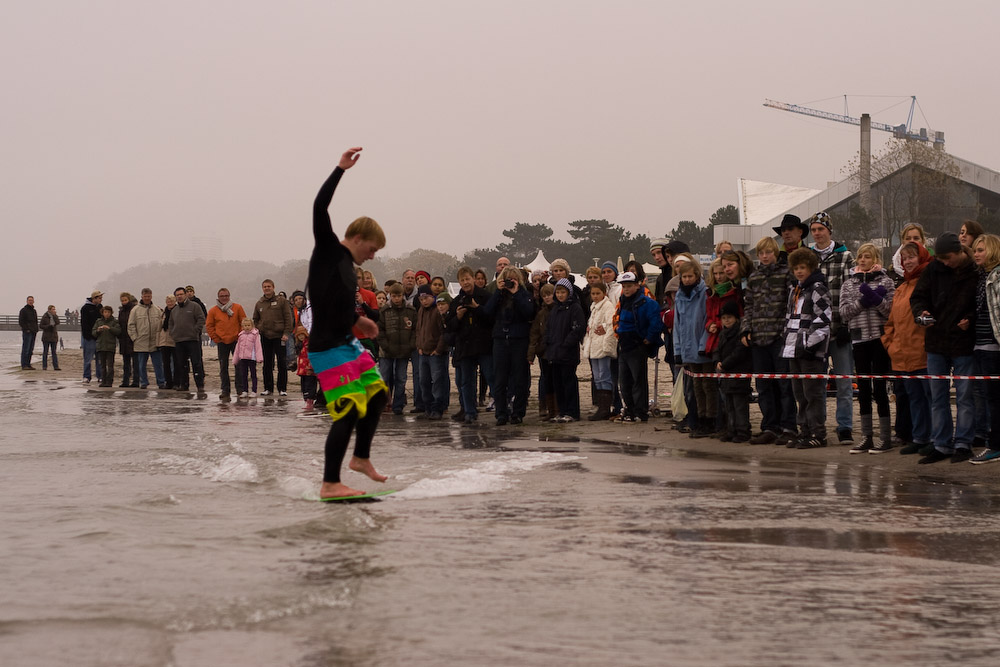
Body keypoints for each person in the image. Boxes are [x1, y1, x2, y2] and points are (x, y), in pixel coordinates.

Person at [307, 147, 390, 499]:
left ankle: (360, 459)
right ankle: (329, 484)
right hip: (326, 347)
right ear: (357, 238)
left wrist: (359, 321)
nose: (372, 256)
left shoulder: (348, 269)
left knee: (377, 394)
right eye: (371, 249)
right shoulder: (329, 250)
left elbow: (333, 304)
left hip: (346, 342)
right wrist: (340, 170)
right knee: (348, 409)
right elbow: (319, 208)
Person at [909, 232, 978, 464]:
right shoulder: (933, 269)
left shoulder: (974, 272)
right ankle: (941, 444)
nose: (945, 262)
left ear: (959, 252)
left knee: (965, 396)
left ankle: (963, 443)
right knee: (937, 396)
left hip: (963, 342)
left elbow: (980, 304)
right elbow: (917, 297)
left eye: (948, 257)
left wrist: (970, 318)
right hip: (936, 341)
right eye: (940, 258)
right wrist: (921, 313)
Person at [840, 244, 895, 453]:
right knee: (863, 388)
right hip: (859, 340)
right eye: (860, 256)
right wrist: (864, 301)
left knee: (880, 388)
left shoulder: (886, 281)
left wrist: (878, 300)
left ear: (875, 258)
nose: (862, 260)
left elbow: (890, 311)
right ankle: (866, 436)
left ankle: (885, 437)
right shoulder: (849, 284)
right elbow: (844, 313)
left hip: (880, 339)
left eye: (867, 256)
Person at [743, 237, 797, 445]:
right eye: (761, 253)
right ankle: (769, 426)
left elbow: (791, 304)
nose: (765, 257)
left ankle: (788, 426)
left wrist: (786, 331)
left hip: (779, 337)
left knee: (785, 385)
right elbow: (748, 306)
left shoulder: (785, 274)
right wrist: (746, 330)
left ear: (775, 253)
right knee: (764, 386)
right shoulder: (754, 278)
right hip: (758, 338)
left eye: (768, 253)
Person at [807, 211, 856, 445]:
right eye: (814, 230)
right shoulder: (807, 256)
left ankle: (845, 426)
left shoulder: (845, 256)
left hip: (839, 329)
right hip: (816, 331)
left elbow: (851, 289)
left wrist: (847, 324)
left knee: (844, 381)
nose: (817, 233)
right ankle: (817, 427)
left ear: (829, 231)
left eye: (821, 229)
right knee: (816, 383)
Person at [882, 242, 934, 456]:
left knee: (931, 399)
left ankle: (934, 438)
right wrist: (890, 345)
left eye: (912, 256)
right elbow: (891, 323)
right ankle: (919, 437)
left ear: (921, 257)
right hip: (902, 356)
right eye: (905, 258)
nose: (909, 261)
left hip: (924, 354)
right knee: (914, 399)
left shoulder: (928, 284)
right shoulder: (901, 288)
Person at [781, 247, 833, 449]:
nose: (799, 271)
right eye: (796, 268)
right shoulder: (795, 290)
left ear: (811, 267)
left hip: (811, 351)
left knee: (813, 394)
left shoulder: (818, 288)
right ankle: (804, 430)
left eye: (803, 267)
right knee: (799, 394)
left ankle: (818, 433)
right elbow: (789, 319)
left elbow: (824, 320)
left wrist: (808, 343)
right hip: (793, 348)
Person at [483, 266, 535, 425]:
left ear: (519, 280)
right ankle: (501, 413)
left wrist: (517, 293)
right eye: (507, 279)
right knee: (500, 379)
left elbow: (529, 313)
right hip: (500, 339)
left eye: (513, 279)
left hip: (519, 339)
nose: (509, 283)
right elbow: (487, 312)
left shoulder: (524, 294)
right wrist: (499, 291)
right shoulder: (498, 295)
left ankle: (518, 413)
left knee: (520, 379)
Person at [672, 258, 715, 437]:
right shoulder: (680, 296)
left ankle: (710, 420)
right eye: (684, 276)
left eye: (690, 276)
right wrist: (678, 351)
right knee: (696, 386)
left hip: (703, 347)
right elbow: (677, 325)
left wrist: (703, 345)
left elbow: (707, 320)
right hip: (688, 349)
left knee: (709, 386)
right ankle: (699, 419)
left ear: (697, 276)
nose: (687, 279)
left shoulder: (705, 293)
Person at [448, 265, 494, 424]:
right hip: (465, 346)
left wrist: (477, 308)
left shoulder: (486, 297)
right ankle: (469, 412)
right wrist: (458, 316)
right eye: (462, 280)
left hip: (484, 345)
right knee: (467, 381)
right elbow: (450, 326)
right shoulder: (456, 301)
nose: (466, 282)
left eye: (468, 279)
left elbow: (491, 318)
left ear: (473, 279)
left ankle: (501, 410)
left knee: (491, 377)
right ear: (459, 283)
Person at [971, 234, 1000, 463]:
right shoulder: (981, 277)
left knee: (994, 398)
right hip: (979, 343)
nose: (976, 253)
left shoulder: (997, 277)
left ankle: (995, 446)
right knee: (987, 397)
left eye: (981, 250)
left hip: (993, 345)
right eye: (975, 250)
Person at [545, 278, 586, 422]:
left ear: (569, 292)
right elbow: (549, 329)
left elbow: (577, 329)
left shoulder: (575, 307)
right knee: (558, 384)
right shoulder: (555, 309)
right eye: (558, 292)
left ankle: (572, 412)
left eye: (563, 292)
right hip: (554, 352)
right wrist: (549, 344)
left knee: (569, 383)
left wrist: (566, 344)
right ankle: (561, 411)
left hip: (568, 353)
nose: (560, 295)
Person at [714, 301, 753, 442]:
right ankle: (731, 430)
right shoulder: (723, 333)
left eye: (729, 317)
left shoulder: (740, 332)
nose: (726, 321)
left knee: (739, 405)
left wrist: (724, 364)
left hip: (739, 373)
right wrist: (717, 361)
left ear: (736, 318)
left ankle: (743, 431)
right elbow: (717, 349)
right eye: (724, 318)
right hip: (726, 375)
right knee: (729, 405)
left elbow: (739, 352)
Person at [377, 283, 416, 415]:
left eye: (399, 296)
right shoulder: (385, 310)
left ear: (402, 295)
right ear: (390, 296)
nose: (397, 299)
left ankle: (398, 405)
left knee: (401, 378)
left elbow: (415, 330)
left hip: (404, 350)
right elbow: (380, 331)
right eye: (394, 296)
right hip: (386, 351)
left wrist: (411, 345)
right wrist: (385, 346)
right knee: (384, 377)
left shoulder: (411, 310)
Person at [252, 279, 294, 396]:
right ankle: (268, 388)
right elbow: (255, 319)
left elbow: (288, 318)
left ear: (273, 287)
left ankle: (282, 389)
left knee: (281, 362)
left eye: (269, 286)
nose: (267, 288)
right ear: (262, 288)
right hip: (265, 336)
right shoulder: (259, 303)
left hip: (280, 336)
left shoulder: (282, 301)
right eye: (264, 287)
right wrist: (258, 328)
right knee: (267, 364)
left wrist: (286, 333)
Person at [583, 280, 617, 421]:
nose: (595, 296)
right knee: (597, 377)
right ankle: (601, 406)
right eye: (593, 293)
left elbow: (611, 323)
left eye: (598, 293)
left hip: (602, 346)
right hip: (594, 346)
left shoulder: (608, 306)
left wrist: (607, 345)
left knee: (604, 376)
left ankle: (606, 408)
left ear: (604, 293)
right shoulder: (594, 307)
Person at [414, 284, 449, 420]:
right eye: (421, 299)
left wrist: (438, 350)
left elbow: (443, 333)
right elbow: (418, 330)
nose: (424, 301)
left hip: (436, 353)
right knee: (424, 381)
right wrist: (419, 346)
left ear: (431, 296)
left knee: (438, 382)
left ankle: (437, 408)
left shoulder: (437, 311)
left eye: (426, 298)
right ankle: (427, 408)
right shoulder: (421, 311)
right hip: (423, 352)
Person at [206, 287, 247, 399]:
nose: (224, 298)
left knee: (239, 366)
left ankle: (240, 389)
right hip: (221, 342)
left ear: (229, 296)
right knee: (223, 367)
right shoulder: (213, 311)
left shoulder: (237, 308)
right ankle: (225, 390)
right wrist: (215, 338)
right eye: (222, 296)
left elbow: (244, 322)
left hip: (236, 341)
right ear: (218, 297)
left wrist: (240, 336)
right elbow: (209, 326)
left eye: (226, 296)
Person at [168, 286, 206, 393]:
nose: (179, 296)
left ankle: (200, 385)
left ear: (185, 295)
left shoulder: (194, 306)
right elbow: (170, 323)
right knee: (182, 364)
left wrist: (195, 331)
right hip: (179, 340)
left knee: (196, 363)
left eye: (181, 294)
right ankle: (184, 385)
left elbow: (201, 319)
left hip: (193, 340)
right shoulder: (174, 310)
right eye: (177, 295)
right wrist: (173, 333)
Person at [528, 283, 557, 420]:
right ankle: (550, 410)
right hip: (543, 352)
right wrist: (532, 353)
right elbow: (534, 334)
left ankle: (558, 409)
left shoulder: (559, 310)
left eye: (549, 294)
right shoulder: (541, 314)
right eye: (544, 295)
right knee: (547, 380)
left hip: (557, 351)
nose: (547, 298)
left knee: (556, 379)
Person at [127, 288, 165, 389]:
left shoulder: (157, 310)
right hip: (140, 342)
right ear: (142, 296)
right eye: (145, 296)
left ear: (151, 296)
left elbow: (162, 324)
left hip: (154, 342)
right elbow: (130, 326)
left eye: (149, 296)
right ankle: (143, 382)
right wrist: (135, 338)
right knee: (141, 365)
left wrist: (159, 339)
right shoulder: (135, 310)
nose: (147, 298)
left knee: (158, 365)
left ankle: (161, 382)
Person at [233, 318, 263, 397]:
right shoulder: (241, 335)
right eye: (245, 325)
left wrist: (259, 358)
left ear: (252, 326)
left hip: (252, 358)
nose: (247, 327)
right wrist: (235, 359)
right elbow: (237, 348)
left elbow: (258, 347)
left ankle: (254, 391)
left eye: (249, 325)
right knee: (244, 374)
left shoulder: (255, 335)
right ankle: (245, 390)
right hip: (243, 358)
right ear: (242, 326)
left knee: (253, 374)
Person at [92, 305, 121, 387]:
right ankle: (103, 380)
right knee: (102, 365)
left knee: (110, 365)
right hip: (101, 346)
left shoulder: (114, 322)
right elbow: (93, 333)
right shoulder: (98, 321)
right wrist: (98, 331)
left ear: (111, 313)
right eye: (105, 312)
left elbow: (118, 331)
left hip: (110, 347)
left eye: (108, 312)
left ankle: (109, 381)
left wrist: (109, 328)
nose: (107, 314)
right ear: (102, 313)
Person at [80, 291, 104, 384]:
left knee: (99, 359)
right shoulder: (85, 308)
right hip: (89, 338)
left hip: (99, 336)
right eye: (99, 298)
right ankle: (86, 376)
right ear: (94, 298)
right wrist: (87, 336)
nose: (101, 300)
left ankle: (100, 376)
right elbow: (84, 324)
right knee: (88, 359)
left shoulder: (100, 307)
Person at [117, 292, 139, 387]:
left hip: (132, 338)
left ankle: (136, 381)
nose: (124, 302)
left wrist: (135, 336)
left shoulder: (134, 309)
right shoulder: (121, 311)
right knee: (126, 363)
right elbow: (119, 324)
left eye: (125, 300)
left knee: (135, 362)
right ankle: (125, 381)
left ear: (129, 300)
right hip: (123, 339)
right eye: (122, 300)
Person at [158, 295, 177, 390]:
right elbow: (159, 326)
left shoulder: (177, 311)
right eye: (168, 301)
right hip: (164, 340)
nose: (170, 303)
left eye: (171, 301)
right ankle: (168, 382)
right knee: (165, 363)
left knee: (176, 363)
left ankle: (176, 382)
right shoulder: (163, 312)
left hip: (174, 340)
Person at [19, 296, 39, 370]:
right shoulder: (23, 310)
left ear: (33, 301)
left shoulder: (34, 311)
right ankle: (24, 365)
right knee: (26, 349)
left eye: (32, 300)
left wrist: (36, 329)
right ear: (27, 301)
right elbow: (21, 321)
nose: (30, 301)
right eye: (29, 300)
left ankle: (28, 364)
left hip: (33, 331)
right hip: (27, 332)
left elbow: (36, 321)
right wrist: (26, 329)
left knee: (30, 349)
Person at [39, 305, 61, 371]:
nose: (54, 310)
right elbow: (41, 326)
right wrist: (48, 326)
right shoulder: (45, 316)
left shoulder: (55, 316)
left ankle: (56, 366)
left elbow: (58, 322)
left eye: (54, 309)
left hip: (54, 336)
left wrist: (54, 316)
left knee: (54, 352)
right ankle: (44, 366)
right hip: (46, 336)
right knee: (45, 352)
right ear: (49, 310)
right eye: (53, 309)